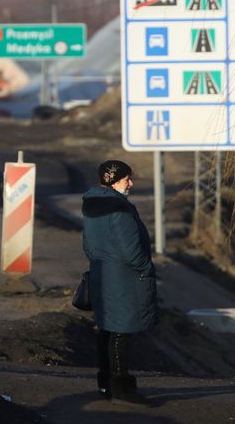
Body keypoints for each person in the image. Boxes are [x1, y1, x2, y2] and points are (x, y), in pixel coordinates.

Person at [81, 160, 158, 407]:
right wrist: (146, 268)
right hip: (123, 279)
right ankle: (122, 388)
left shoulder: (93, 206)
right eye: (127, 179)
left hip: (103, 275)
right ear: (113, 180)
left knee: (107, 329)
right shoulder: (120, 209)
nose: (131, 183)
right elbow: (131, 250)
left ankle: (105, 383)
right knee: (120, 332)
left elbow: (88, 245)